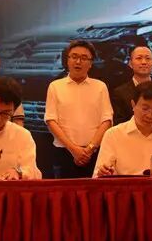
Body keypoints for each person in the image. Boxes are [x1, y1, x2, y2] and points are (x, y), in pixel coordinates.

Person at [44, 40, 113, 178]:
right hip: (64, 152)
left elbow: (107, 120)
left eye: (84, 58)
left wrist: (90, 149)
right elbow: (51, 120)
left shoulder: (100, 87)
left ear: (91, 63)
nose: (78, 62)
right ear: (67, 60)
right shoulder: (55, 86)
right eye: (74, 57)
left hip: (94, 153)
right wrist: (73, 149)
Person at [93, 80, 152, 177]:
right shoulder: (113, 135)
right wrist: (103, 173)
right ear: (133, 104)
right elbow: (98, 176)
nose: (149, 115)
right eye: (145, 108)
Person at [111, 43, 152, 127]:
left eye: (148, 58)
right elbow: (119, 124)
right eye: (139, 58)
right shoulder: (120, 93)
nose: (144, 62)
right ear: (130, 63)